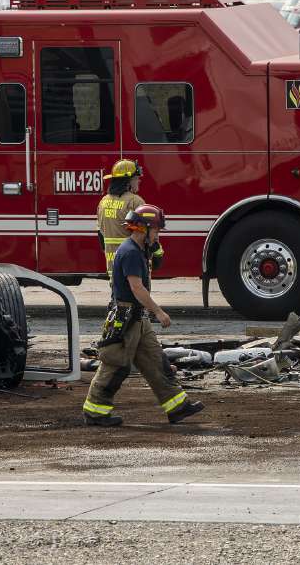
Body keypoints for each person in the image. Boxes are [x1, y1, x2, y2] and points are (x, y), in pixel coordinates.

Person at [82, 204, 203, 427]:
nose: (157, 235)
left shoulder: (139, 250)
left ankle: (177, 406)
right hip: (126, 318)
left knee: (156, 361)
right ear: (143, 229)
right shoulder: (130, 252)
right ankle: (95, 412)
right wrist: (158, 311)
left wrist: (155, 248)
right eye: (156, 230)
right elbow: (137, 288)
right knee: (116, 365)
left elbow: (154, 264)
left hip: (138, 318)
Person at [95, 159, 161, 276]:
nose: (139, 181)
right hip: (133, 263)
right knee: (138, 292)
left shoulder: (103, 201)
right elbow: (147, 232)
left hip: (112, 267)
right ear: (128, 181)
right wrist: (157, 253)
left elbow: (100, 233)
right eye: (136, 178)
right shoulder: (135, 201)